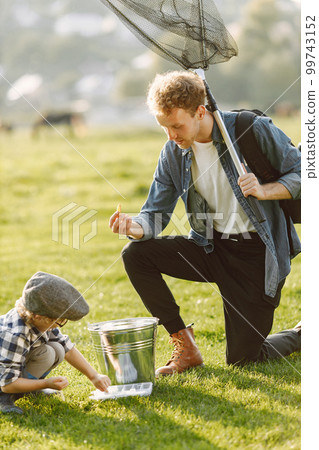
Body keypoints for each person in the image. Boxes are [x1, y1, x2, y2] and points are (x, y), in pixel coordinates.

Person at [109, 71, 301, 376]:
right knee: (136, 254)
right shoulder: (174, 152)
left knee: (244, 359)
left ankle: (301, 334)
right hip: (211, 248)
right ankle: (185, 347)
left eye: (176, 125)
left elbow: (302, 173)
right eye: (164, 128)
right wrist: (135, 227)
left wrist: (265, 191)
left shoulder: (251, 129)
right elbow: (155, 213)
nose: (171, 136)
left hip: (257, 256)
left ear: (200, 111)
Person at [0, 271, 111, 414]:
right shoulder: (15, 335)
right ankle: (3, 399)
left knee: (56, 350)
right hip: (5, 382)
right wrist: (46, 383)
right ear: (38, 316)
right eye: (58, 321)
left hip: (11, 372)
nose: (59, 325)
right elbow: (7, 383)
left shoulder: (37, 321)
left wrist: (94, 376)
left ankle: (29, 390)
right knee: (46, 354)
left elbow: (66, 347)